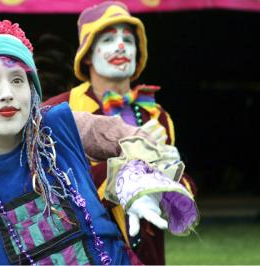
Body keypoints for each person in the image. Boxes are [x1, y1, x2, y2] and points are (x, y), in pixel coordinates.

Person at [0, 19, 197, 264]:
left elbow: (132, 137)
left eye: (17, 80)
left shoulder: (60, 128)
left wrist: (134, 176)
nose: (7, 93)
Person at [44, 1, 197, 264]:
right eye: (107, 39)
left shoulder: (157, 114)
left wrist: (169, 177)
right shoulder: (59, 109)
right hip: (85, 249)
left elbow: (179, 183)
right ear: (88, 54)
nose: (121, 46)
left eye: (129, 39)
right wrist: (127, 170)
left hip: (146, 250)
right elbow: (50, 184)